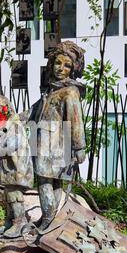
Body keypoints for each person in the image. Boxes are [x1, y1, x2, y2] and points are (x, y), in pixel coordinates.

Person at [27, 41, 87, 230]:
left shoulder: (69, 92)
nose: (61, 68)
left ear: (74, 69)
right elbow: (32, 111)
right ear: (51, 64)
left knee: (47, 181)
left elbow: (75, 120)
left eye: (67, 65)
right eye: (58, 63)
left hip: (57, 144)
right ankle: (49, 219)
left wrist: (79, 147)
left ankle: (48, 221)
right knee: (51, 181)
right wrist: (12, 118)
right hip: (45, 142)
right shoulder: (51, 90)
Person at [0, 95, 34, 238]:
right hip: (8, 169)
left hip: (17, 168)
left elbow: (9, 147)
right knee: (8, 194)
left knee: (15, 195)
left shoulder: (14, 126)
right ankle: (10, 221)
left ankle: (20, 223)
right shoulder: (4, 128)